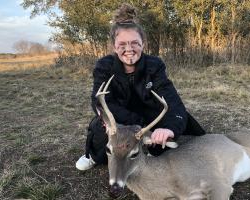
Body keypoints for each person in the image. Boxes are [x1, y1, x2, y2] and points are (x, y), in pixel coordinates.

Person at [76, 4, 206, 171]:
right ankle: (94, 156)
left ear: (143, 44)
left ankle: (151, 151)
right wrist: (136, 124)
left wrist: (169, 128)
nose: (129, 49)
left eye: (134, 43)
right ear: (114, 46)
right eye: (122, 44)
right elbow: (99, 101)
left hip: (148, 114)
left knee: (161, 142)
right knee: (101, 133)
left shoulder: (155, 65)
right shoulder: (104, 66)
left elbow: (172, 100)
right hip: (121, 117)